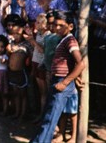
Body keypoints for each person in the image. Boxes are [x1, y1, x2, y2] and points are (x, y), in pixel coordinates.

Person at [32, 11, 85, 143]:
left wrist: (65, 82)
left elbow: (80, 63)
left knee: (50, 118)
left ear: (70, 26)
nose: (57, 28)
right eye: (55, 25)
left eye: (61, 25)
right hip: (57, 80)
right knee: (48, 116)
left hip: (62, 81)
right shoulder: (62, 40)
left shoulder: (70, 41)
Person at [25, 13, 50, 121]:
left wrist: (32, 41)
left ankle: (44, 116)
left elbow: (43, 50)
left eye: (39, 22)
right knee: (40, 92)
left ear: (45, 25)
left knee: (45, 92)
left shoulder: (47, 35)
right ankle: (40, 113)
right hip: (35, 63)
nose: (36, 24)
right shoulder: (38, 34)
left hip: (42, 64)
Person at [7, 17, 32, 121]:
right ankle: (17, 113)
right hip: (12, 72)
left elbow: (31, 54)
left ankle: (23, 114)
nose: (16, 35)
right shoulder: (11, 43)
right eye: (14, 34)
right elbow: (8, 53)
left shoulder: (26, 44)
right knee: (15, 93)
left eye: (18, 33)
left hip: (21, 72)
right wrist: (9, 49)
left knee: (23, 94)